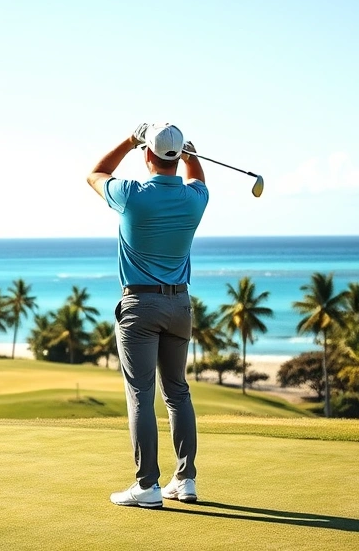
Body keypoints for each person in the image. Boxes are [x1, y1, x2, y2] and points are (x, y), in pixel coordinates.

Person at [86, 122, 208, 508]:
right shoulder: (194, 199)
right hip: (180, 306)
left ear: (147, 154)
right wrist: (192, 155)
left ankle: (148, 486)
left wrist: (128, 139)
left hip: (140, 306)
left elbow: (95, 174)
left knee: (141, 393)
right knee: (177, 391)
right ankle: (185, 480)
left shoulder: (131, 195)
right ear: (178, 156)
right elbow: (198, 178)